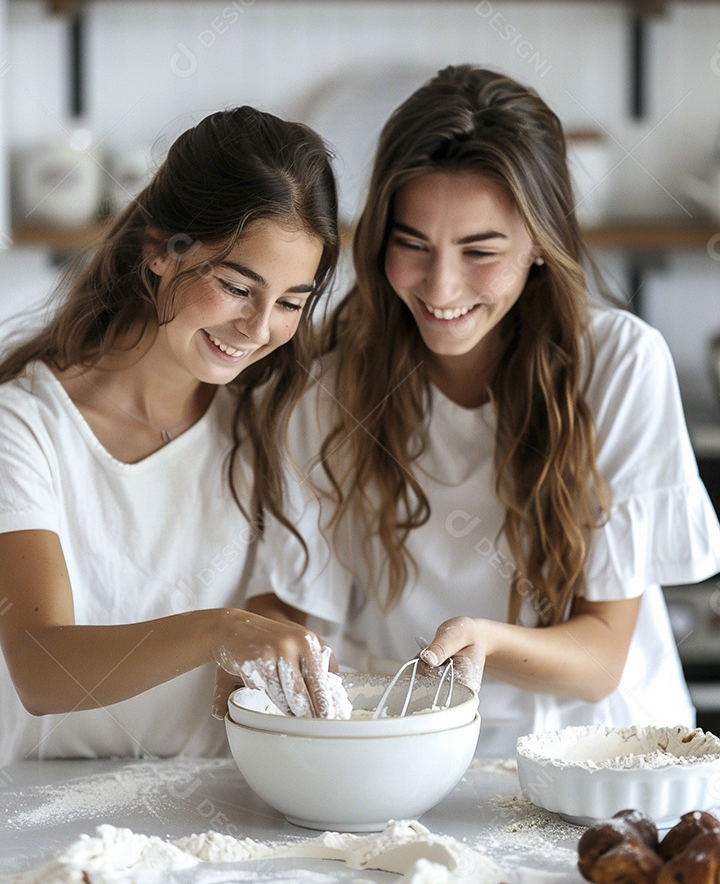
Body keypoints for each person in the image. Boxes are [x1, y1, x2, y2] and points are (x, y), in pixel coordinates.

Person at [244, 64, 720, 755]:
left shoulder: (618, 364)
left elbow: (599, 663)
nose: (441, 287)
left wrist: (483, 643)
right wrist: (261, 638)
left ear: (538, 245)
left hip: (600, 759)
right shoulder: (331, 387)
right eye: (412, 245)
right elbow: (298, 605)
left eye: (480, 251)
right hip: (406, 748)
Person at [0, 105, 342, 768]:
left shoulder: (274, 417)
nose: (259, 328)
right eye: (236, 286)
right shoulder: (25, 425)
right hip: (45, 812)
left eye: (292, 302)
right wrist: (221, 631)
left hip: (219, 808)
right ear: (160, 249)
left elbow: (277, 597)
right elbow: (41, 669)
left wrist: (262, 633)